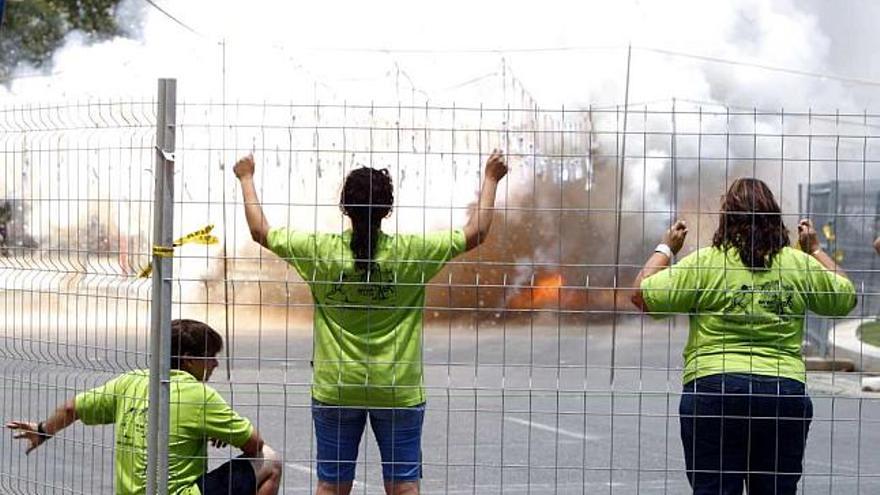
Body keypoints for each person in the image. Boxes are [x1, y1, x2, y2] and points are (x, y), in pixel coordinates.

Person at [234, 150, 507, 495]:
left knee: (331, 486)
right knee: (404, 485)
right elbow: (477, 232)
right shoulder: (413, 251)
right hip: (397, 387)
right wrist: (491, 178)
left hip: (337, 386)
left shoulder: (319, 251)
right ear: (388, 209)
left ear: (344, 207)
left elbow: (260, 231)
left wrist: (246, 177)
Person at [631, 178, 856, 495]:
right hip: (782, 392)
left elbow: (641, 294)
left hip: (713, 389)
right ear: (774, 216)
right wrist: (816, 249)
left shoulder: (704, 262)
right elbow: (845, 296)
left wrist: (667, 247)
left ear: (727, 218)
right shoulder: (798, 264)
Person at [6, 319, 282, 495]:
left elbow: (71, 408)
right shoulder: (199, 395)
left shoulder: (132, 381)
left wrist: (43, 430)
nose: (215, 364)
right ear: (188, 360)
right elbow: (254, 445)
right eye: (210, 357)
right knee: (270, 460)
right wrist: (222, 433)